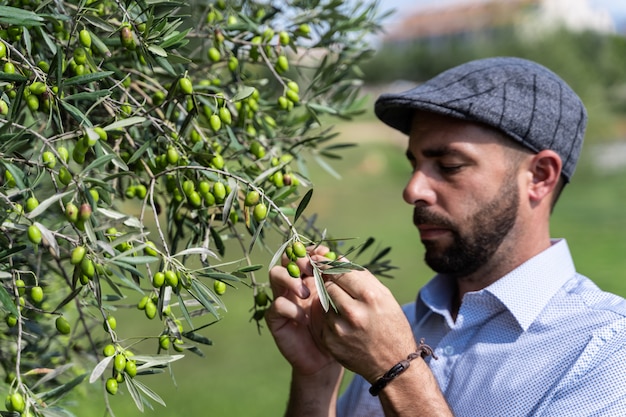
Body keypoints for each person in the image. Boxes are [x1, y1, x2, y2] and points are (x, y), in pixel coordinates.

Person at [265, 57, 626, 416]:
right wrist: (317, 378)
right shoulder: (394, 327)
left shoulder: (605, 351)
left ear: (540, 176)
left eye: (449, 166)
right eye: (414, 164)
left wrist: (397, 371)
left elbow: (394, 363)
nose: (412, 190)